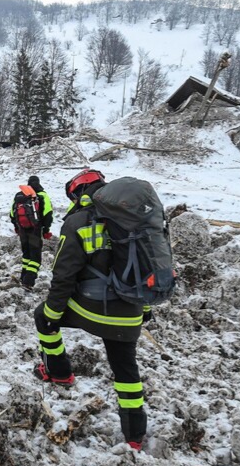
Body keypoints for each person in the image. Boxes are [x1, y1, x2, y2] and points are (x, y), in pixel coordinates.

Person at [32, 168, 151, 451]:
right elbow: (148, 269)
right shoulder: (135, 220)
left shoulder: (78, 222)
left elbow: (64, 275)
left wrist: (52, 312)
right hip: (131, 312)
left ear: (77, 193)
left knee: (42, 316)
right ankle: (134, 435)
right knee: (126, 369)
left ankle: (59, 371)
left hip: (92, 310)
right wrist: (144, 308)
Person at [9, 175, 53, 290]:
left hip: (23, 229)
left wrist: (17, 226)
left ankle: (23, 278)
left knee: (26, 255)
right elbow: (48, 214)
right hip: (35, 230)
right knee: (35, 257)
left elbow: (12, 213)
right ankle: (28, 282)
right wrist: (46, 230)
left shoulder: (20, 196)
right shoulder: (42, 195)